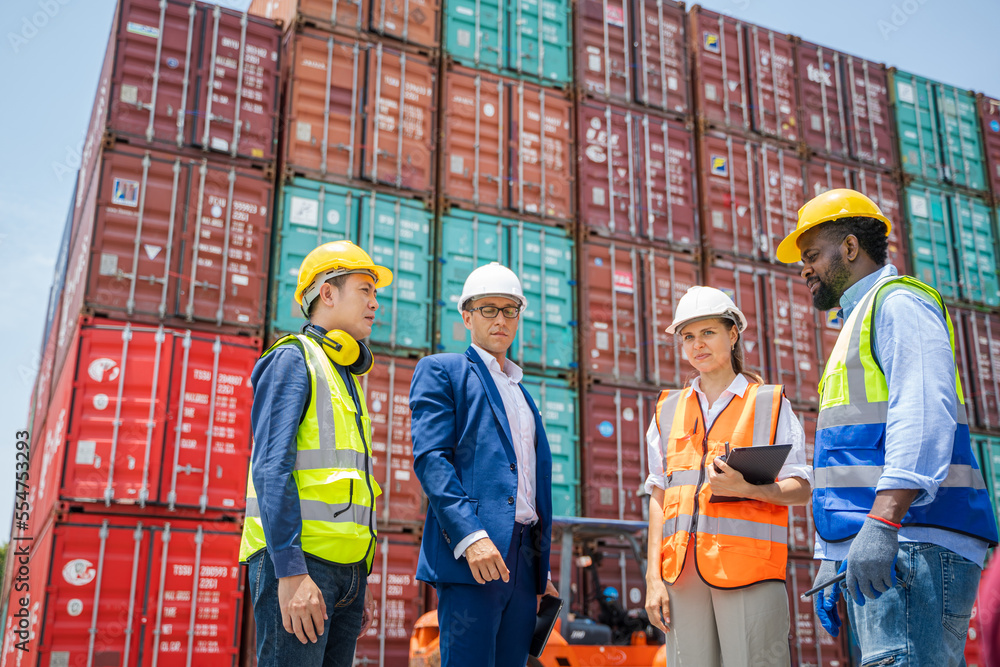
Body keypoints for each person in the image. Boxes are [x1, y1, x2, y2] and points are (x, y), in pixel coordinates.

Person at [776, 188, 999, 665]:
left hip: (912, 541)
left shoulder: (897, 303)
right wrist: (830, 553)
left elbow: (923, 413)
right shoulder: (858, 320)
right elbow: (851, 455)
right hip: (886, 545)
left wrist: (882, 522)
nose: (805, 268)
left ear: (851, 248)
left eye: (812, 255)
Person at [239, 240, 392, 667]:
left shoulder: (345, 375)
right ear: (327, 293)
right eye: (366, 290)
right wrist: (289, 572)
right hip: (299, 566)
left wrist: (360, 579)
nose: (375, 303)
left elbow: (356, 488)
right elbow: (272, 468)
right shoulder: (293, 359)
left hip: (345, 574)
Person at [643, 286, 812, 665]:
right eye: (688, 336)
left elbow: (801, 489)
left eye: (708, 333)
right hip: (681, 575)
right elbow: (659, 497)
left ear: (733, 333)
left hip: (749, 572)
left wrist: (747, 488)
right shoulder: (667, 411)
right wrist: (654, 578)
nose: (697, 345)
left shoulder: (768, 404)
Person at [409, 262, 559, 667]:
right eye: (488, 308)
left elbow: (530, 485)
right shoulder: (443, 370)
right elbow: (431, 460)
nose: (500, 319)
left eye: (510, 309)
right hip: (475, 554)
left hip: (525, 562)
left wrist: (540, 566)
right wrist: (470, 536)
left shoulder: (522, 394)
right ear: (467, 316)